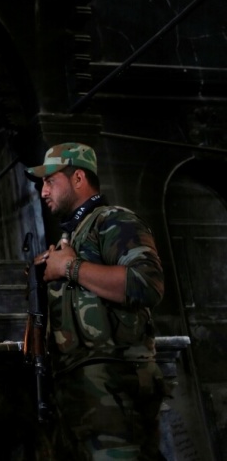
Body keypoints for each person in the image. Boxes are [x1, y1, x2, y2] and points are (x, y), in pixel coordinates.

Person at [26, 142, 167, 461]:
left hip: (115, 386)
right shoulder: (73, 236)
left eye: (50, 181)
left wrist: (71, 268)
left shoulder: (112, 220)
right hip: (84, 392)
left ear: (78, 178)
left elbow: (148, 285)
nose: (43, 192)